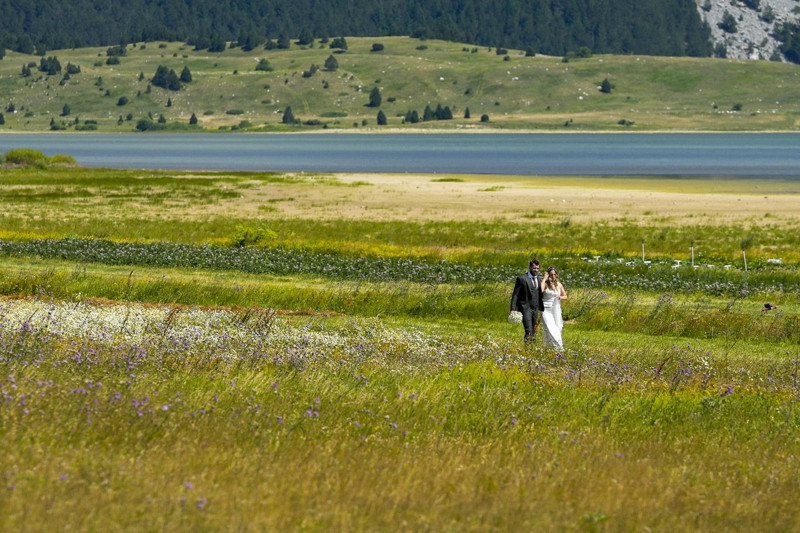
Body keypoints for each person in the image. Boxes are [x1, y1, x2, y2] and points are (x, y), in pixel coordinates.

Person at [510, 259, 544, 343]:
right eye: (534, 268)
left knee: (534, 329)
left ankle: (533, 347)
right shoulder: (522, 279)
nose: (536, 270)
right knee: (528, 329)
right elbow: (515, 294)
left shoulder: (539, 279)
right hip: (525, 308)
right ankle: (527, 348)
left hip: (535, 308)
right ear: (530, 267)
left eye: (537, 269)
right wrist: (513, 309)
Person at [540, 266, 568, 351]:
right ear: (548, 275)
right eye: (551, 275)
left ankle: (550, 347)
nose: (553, 276)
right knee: (549, 327)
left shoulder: (559, 284)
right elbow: (540, 291)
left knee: (557, 327)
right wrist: (544, 279)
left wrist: (560, 297)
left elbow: (565, 296)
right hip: (546, 309)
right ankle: (559, 347)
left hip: (555, 308)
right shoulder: (545, 284)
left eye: (554, 274)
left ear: (557, 275)